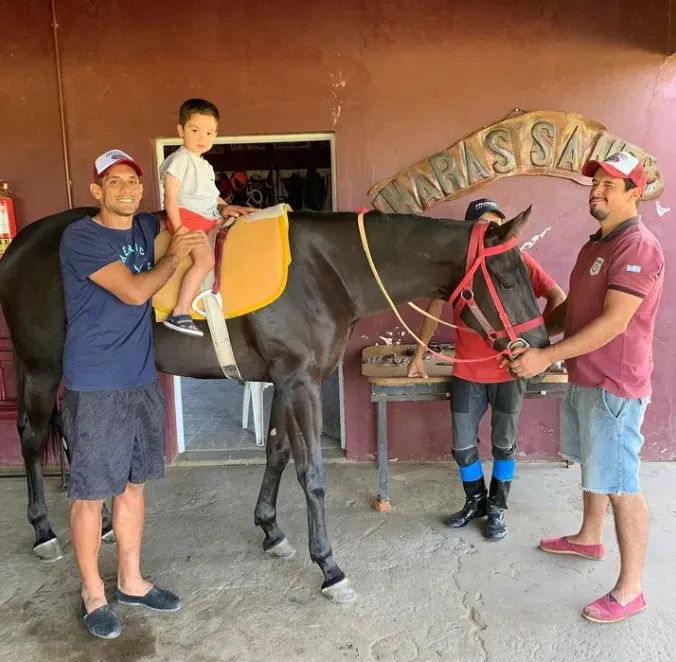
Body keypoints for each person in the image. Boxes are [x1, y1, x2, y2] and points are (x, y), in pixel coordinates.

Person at [508, 152, 664, 623]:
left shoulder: (637, 246)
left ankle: (631, 588)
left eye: (608, 186)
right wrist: (532, 331)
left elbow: (615, 322)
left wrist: (545, 356)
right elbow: (574, 307)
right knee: (597, 468)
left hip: (614, 384)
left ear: (634, 193)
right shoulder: (596, 244)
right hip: (584, 377)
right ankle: (588, 538)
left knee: (621, 483)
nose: (596, 192)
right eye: (593, 184)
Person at [60, 149, 210, 639]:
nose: (127, 189)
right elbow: (133, 291)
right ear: (96, 191)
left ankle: (131, 580)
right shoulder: (81, 237)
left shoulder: (145, 226)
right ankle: (93, 592)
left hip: (142, 378)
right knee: (91, 495)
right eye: (115, 182)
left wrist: (226, 212)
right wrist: (173, 258)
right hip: (97, 382)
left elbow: (187, 213)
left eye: (133, 181)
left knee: (133, 485)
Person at [408, 198, 565, 540]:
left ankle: (497, 509)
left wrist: (539, 347)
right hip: (467, 374)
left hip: (509, 374)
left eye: (497, 225)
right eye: (484, 227)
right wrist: (418, 355)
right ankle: (475, 501)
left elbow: (558, 298)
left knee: (503, 445)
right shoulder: (457, 270)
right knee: (462, 447)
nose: (492, 233)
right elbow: (434, 310)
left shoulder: (516, 260)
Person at [159, 98, 251, 337]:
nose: (202, 138)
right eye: (195, 130)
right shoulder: (179, 160)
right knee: (205, 260)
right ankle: (179, 312)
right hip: (189, 219)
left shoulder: (205, 165)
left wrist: (227, 208)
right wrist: (180, 230)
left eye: (209, 132)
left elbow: (213, 198)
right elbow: (171, 198)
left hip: (206, 217)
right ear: (180, 130)